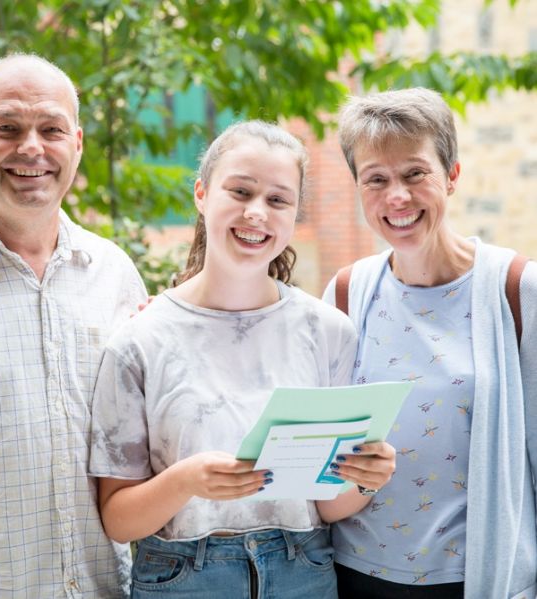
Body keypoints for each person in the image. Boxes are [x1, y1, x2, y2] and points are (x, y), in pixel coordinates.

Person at [88, 120, 396, 598]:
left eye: (277, 200)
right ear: (201, 194)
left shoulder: (329, 331)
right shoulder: (138, 342)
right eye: (240, 191)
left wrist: (367, 480)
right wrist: (185, 480)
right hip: (183, 579)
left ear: (294, 216)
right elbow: (118, 520)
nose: (257, 213)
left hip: (304, 573)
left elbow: (329, 505)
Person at [0, 54, 148, 598]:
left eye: (50, 129)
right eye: (6, 128)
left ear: (76, 143)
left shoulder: (116, 275)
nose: (31, 147)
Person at [323, 87, 537, 599]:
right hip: (353, 576)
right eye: (377, 179)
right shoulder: (347, 291)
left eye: (415, 173)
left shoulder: (516, 289)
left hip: (477, 579)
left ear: (452, 175)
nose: (397, 196)